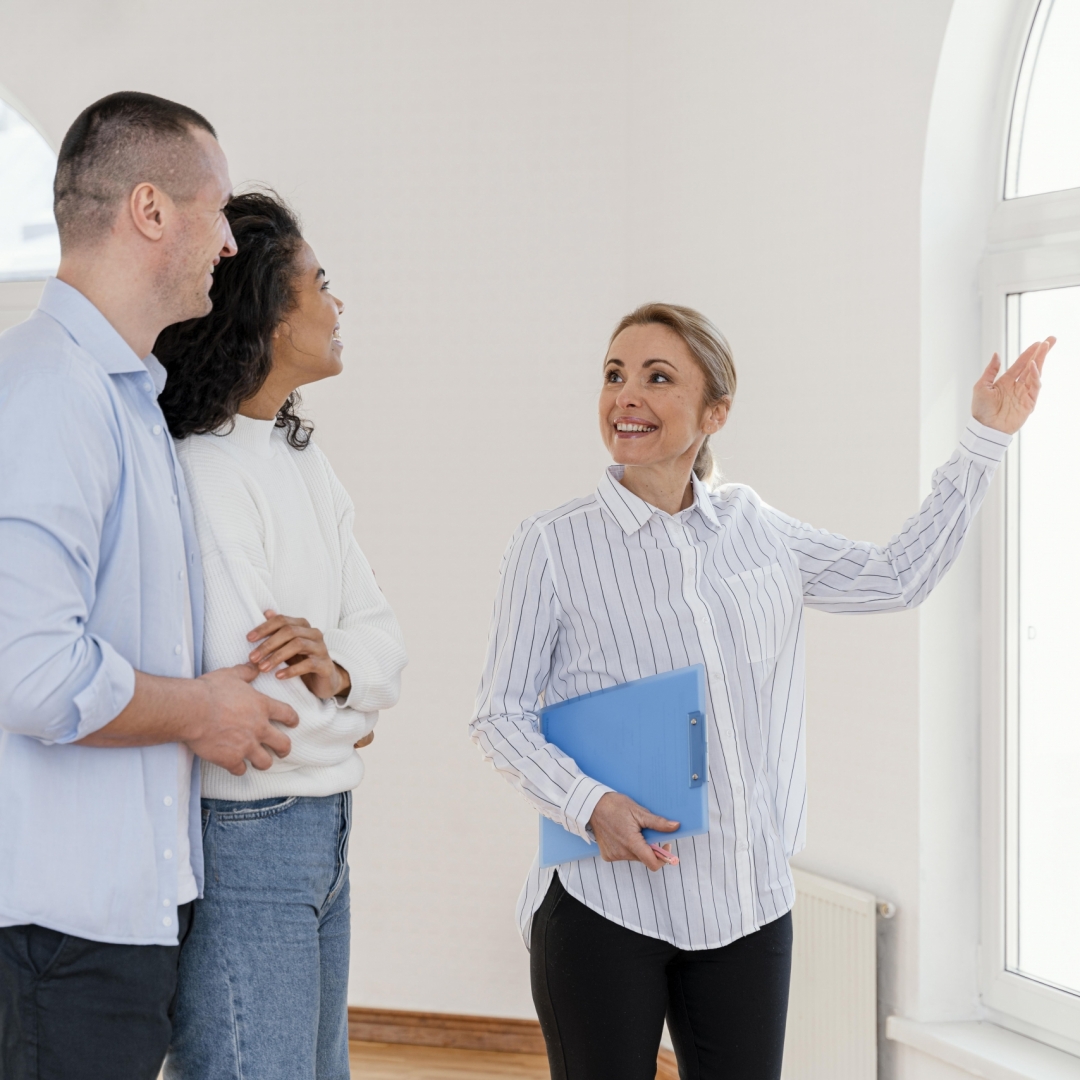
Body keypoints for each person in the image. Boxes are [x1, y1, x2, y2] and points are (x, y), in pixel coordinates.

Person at [470, 302, 1052, 1080]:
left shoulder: (756, 527)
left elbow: (896, 576)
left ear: (715, 412)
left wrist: (984, 440)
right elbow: (499, 715)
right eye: (613, 375)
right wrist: (589, 804)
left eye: (657, 377)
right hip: (605, 905)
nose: (625, 396)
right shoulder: (551, 543)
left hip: (747, 904)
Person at [0, 93, 302, 1080]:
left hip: (111, 922)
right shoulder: (53, 394)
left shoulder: (125, 397)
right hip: (54, 935)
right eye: (217, 210)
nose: (229, 242)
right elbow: (33, 675)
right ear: (150, 209)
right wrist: (202, 711)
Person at [153, 190, 407, 1080]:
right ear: (266, 311)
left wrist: (343, 677)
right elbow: (257, 713)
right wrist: (356, 712)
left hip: (325, 826)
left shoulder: (301, 459)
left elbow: (383, 635)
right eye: (320, 283)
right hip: (249, 832)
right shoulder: (206, 472)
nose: (338, 304)